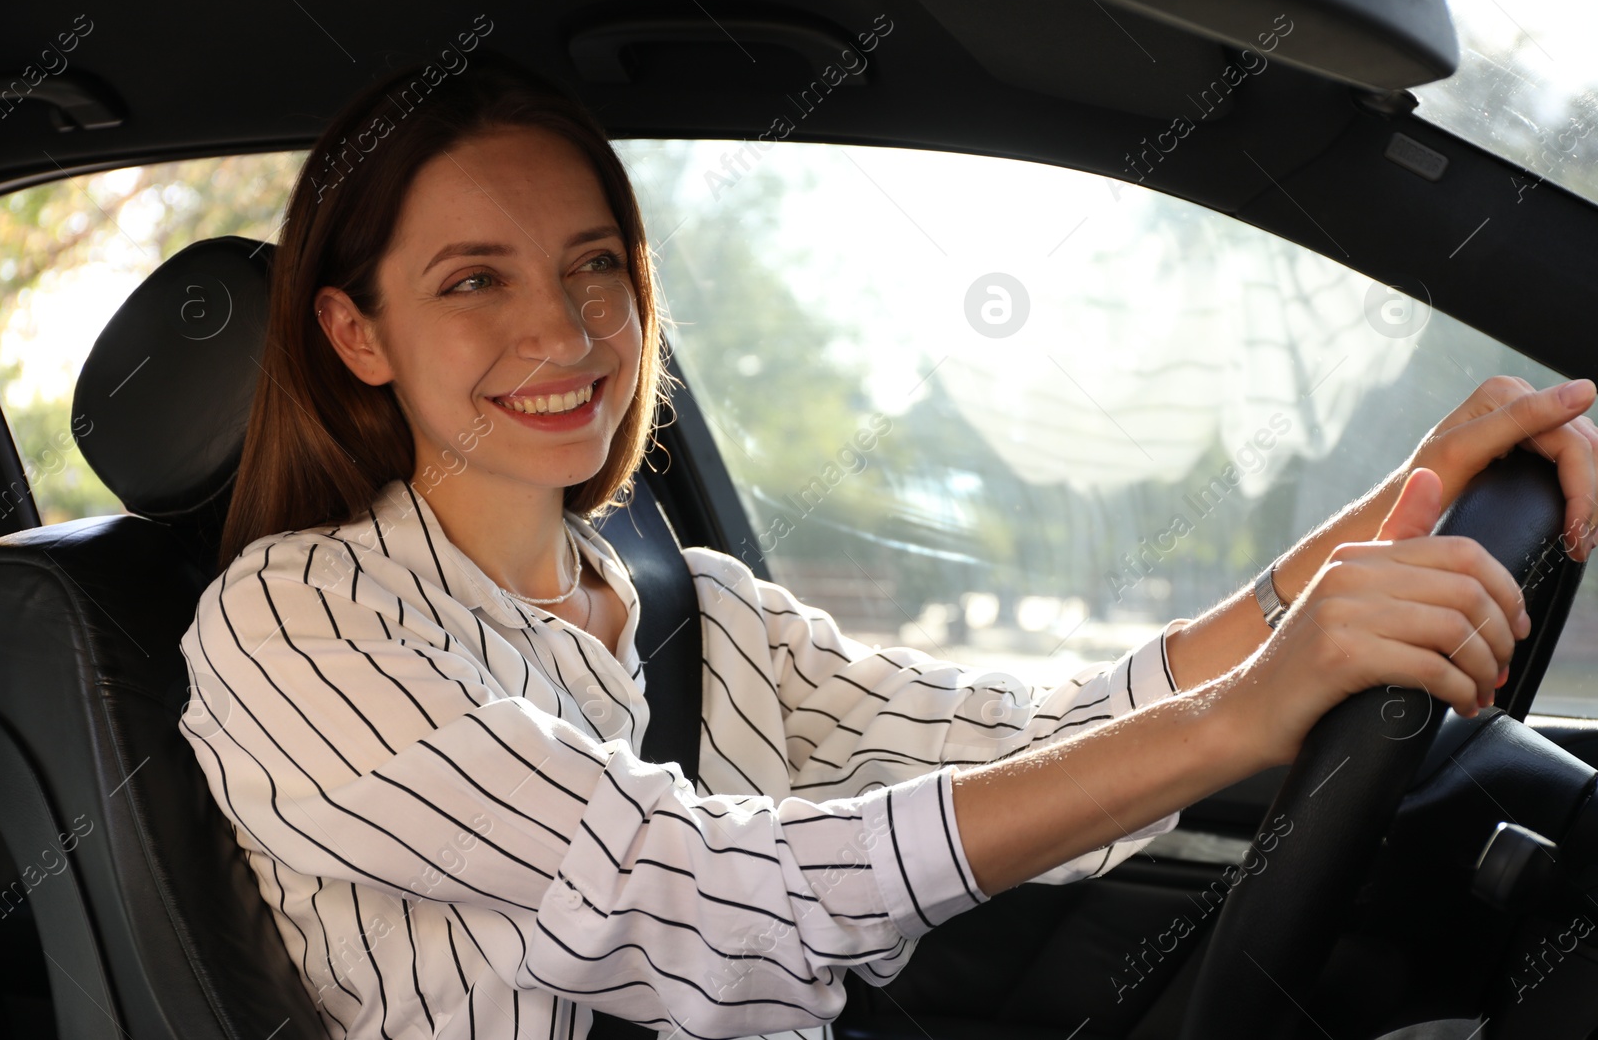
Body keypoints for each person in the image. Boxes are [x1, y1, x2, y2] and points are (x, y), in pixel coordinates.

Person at [178, 53, 1598, 1040]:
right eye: (473, 281)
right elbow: (715, 902)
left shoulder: (702, 610)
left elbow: (1037, 737)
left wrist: (1398, 508)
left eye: (594, 263)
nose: (562, 332)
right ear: (357, 332)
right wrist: (1249, 712)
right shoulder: (294, 626)